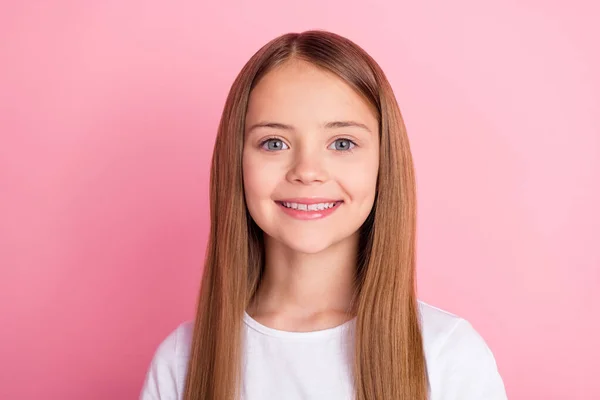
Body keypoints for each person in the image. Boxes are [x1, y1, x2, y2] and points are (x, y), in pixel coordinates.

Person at [139, 30, 507, 400]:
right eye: (274, 143)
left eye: (342, 143)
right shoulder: (181, 361)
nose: (307, 170)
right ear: (236, 162)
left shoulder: (449, 357)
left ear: (384, 163)